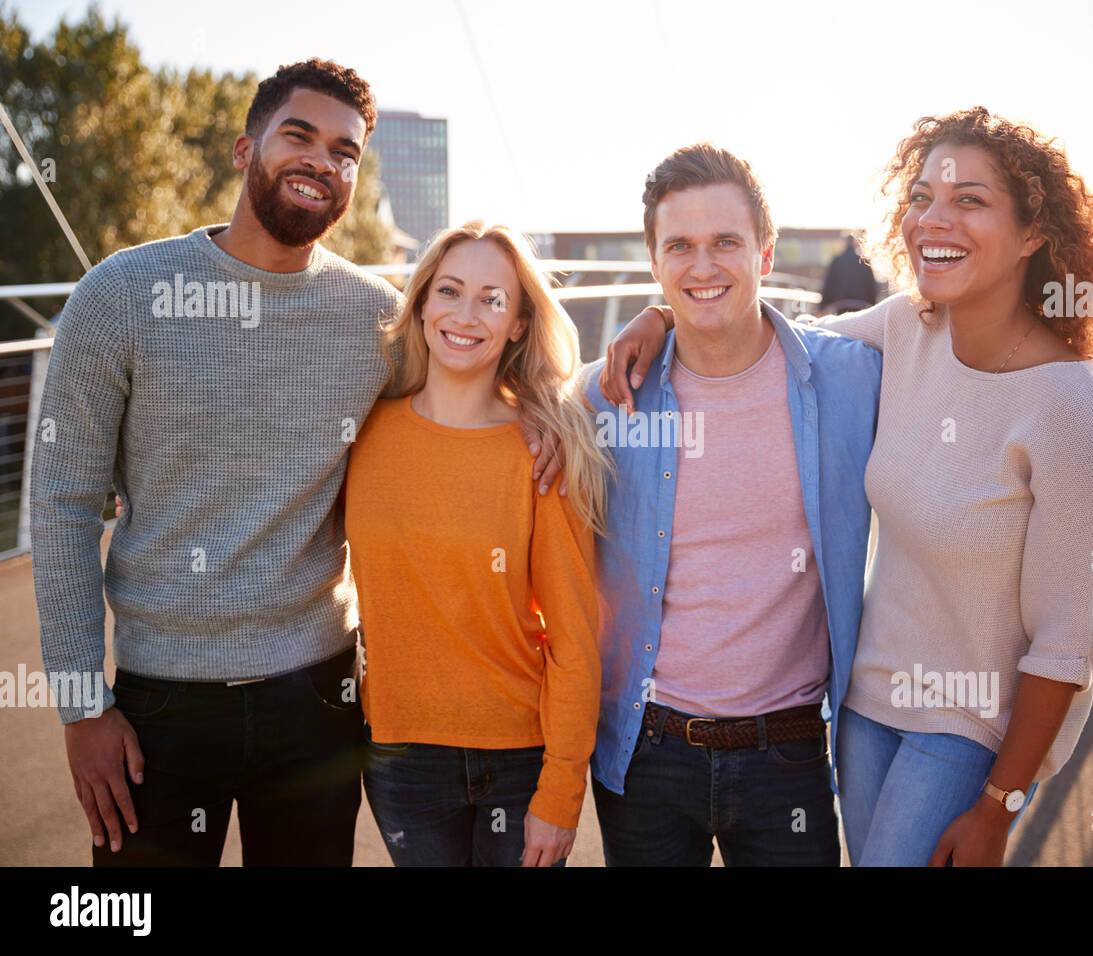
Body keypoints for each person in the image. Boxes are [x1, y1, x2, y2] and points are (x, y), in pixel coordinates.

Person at [600, 108, 1093, 866]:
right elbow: (759, 338)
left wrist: (1000, 806)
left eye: (970, 200)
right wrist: (660, 316)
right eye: (922, 197)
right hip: (863, 707)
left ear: (1032, 234)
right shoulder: (905, 332)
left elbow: (1066, 647)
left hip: (965, 725)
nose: (934, 219)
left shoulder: (1075, 408)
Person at [30, 58, 561, 867]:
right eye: (300, 136)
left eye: (345, 151)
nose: (322, 160)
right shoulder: (121, 297)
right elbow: (64, 502)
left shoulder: (379, 319)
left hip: (320, 699)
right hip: (158, 707)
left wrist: (595, 377)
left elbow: (478, 372)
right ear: (246, 150)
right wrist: (78, 704)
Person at [585, 143, 882, 866]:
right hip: (645, 753)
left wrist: (1081, 550)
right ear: (655, 262)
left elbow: (967, 382)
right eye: (679, 246)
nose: (704, 265)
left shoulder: (852, 378)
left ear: (766, 253)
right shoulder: (606, 396)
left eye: (726, 243)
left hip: (790, 753)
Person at [344, 222, 607, 867]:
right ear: (423, 302)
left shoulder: (543, 453)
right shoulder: (363, 433)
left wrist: (561, 793)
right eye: (450, 291)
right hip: (401, 756)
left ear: (518, 323)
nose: (467, 316)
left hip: (518, 760)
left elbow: (576, 638)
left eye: (493, 300)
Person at [820, 233, 878, 313]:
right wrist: (873, 304)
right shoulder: (864, 262)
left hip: (841, 305)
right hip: (861, 305)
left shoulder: (837, 261)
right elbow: (871, 285)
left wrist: (822, 306)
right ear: (856, 244)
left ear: (844, 243)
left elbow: (829, 284)